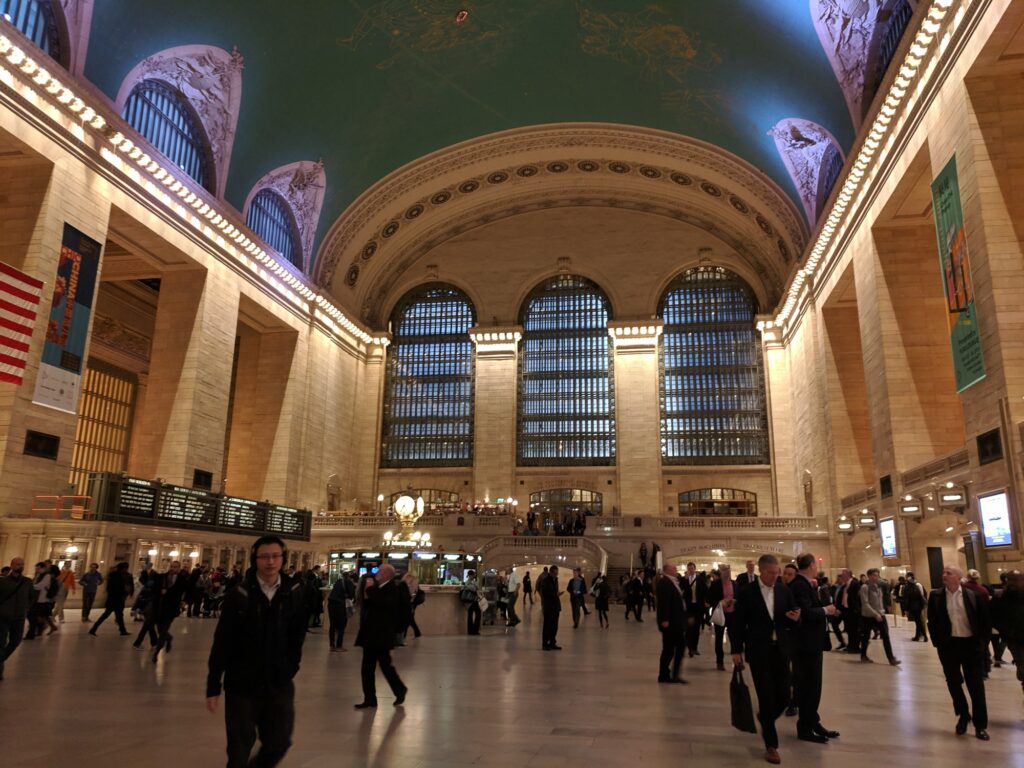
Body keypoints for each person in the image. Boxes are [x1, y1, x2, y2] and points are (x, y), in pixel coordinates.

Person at [207, 535, 308, 767]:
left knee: (279, 743)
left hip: (278, 682)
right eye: (264, 556)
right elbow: (222, 640)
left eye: (275, 556)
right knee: (239, 749)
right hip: (242, 683)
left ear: (283, 559)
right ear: (255, 559)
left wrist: (290, 666)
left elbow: (297, 635)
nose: (270, 562)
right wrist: (213, 684)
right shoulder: (240, 594)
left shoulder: (294, 592)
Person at [730, 554, 801, 766]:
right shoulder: (747, 592)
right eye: (771, 572)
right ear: (761, 571)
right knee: (765, 695)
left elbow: (793, 615)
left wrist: (796, 618)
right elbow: (738, 622)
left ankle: (766, 716)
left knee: (785, 695)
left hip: (780, 649)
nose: (775, 576)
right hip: (759, 651)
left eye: (777, 572)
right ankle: (771, 746)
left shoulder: (783, 590)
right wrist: (736, 649)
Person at [927, 565, 990, 740]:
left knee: (976, 685)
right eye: (944, 572)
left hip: (971, 645)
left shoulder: (973, 596)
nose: (944, 575)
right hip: (948, 646)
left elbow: (984, 621)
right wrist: (937, 643)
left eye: (949, 573)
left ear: (958, 577)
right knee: (954, 683)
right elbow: (931, 621)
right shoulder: (936, 596)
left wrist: (982, 645)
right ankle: (963, 715)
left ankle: (980, 725)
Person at [788, 552, 839, 744]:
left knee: (812, 686)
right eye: (815, 565)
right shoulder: (800, 585)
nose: (817, 568)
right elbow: (806, 613)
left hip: (810, 643)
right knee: (809, 686)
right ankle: (805, 727)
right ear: (810, 565)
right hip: (806, 644)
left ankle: (812, 721)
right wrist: (827, 610)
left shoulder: (803, 584)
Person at [354, 563, 408, 708]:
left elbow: (383, 604)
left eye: (380, 571)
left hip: (381, 635)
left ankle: (400, 689)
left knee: (385, 666)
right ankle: (370, 698)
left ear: (386, 574)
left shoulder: (392, 589)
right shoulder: (379, 587)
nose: (376, 573)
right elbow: (370, 605)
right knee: (367, 668)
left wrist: (371, 589)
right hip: (371, 634)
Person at [0, 558, 34, 681]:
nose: (20, 566)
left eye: (22, 564)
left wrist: (26, 608)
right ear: (12, 565)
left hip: (19, 617)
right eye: (18, 564)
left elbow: (32, 597)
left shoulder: (27, 582)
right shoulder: (3, 582)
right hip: (3, 616)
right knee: (1, 643)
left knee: (15, 641)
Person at [859, 568, 901, 666]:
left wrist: (882, 612)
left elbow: (880, 602)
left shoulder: (878, 587)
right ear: (869, 576)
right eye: (874, 575)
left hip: (880, 615)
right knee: (866, 636)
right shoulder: (865, 587)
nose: (876, 577)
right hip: (869, 616)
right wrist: (875, 614)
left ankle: (891, 658)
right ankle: (863, 655)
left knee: (885, 636)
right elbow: (865, 603)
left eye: (877, 575)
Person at [149, 560, 189, 662]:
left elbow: (187, 591)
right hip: (159, 608)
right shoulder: (162, 577)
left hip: (171, 609)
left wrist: (184, 601)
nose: (173, 569)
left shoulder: (182, 579)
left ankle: (156, 654)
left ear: (179, 568)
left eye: (175, 567)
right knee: (160, 630)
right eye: (171, 566)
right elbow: (153, 589)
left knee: (162, 633)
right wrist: (160, 591)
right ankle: (169, 638)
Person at [991, 570, 1024, 692]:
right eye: (1012, 580)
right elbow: (993, 617)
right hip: (1016, 641)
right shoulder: (1000, 598)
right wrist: (1007, 632)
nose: (1016, 583)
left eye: (1019, 580)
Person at [656, 563, 688, 684]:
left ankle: (668, 674)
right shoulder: (664, 582)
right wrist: (664, 619)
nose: (676, 570)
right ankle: (667, 674)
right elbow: (664, 602)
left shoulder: (673, 581)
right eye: (673, 568)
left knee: (671, 649)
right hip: (670, 623)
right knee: (672, 648)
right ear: (667, 570)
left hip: (676, 621)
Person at [89, 562, 133, 637]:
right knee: (110, 615)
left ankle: (122, 630)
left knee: (117, 615)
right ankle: (93, 629)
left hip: (114, 599)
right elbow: (114, 588)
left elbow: (110, 588)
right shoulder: (118, 576)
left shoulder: (114, 575)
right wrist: (124, 591)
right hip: (116, 599)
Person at [706, 563, 736, 671]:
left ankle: (736, 662)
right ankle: (720, 662)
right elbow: (708, 600)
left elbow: (739, 598)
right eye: (724, 570)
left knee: (734, 639)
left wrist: (734, 601)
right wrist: (720, 602)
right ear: (721, 572)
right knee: (719, 639)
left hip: (732, 615)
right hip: (720, 614)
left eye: (728, 569)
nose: (727, 572)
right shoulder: (715, 584)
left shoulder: (734, 583)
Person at [25, 561, 58, 639]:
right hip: (37, 600)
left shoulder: (47, 576)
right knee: (37, 617)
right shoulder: (39, 575)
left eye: (38, 568)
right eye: (36, 568)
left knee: (33, 616)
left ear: (43, 568)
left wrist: (30, 586)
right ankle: (37, 630)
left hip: (42, 600)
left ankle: (34, 632)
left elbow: (40, 586)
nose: (37, 570)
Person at [681, 562, 706, 657]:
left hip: (698, 607)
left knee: (696, 628)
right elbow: (681, 590)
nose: (690, 570)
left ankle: (694, 647)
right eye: (689, 568)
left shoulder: (700, 579)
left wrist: (706, 602)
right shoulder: (684, 579)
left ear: (695, 569)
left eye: (692, 568)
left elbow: (705, 591)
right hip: (689, 606)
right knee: (689, 627)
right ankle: (689, 647)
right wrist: (685, 580)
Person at [836, 568, 862, 655]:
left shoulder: (855, 583)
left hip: (853, 611)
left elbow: (857, 598)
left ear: (848, 574)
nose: (842, 575)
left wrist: (857, 609)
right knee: (849, 629)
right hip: (846, 611)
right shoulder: (845, 585)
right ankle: (850, 646)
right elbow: (842, 598)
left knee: (855, 629)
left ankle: (856, 647)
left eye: (843, 574)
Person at [537, 564, 562, 650]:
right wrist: (555, 594)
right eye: (555, 573)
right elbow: (544, 593)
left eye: (557, 572)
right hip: (548, 606)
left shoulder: (556, 580)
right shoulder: (545, 581)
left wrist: (557, 594)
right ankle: (545, 644)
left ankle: (552, 642)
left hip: (555, 606)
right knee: (547, 625)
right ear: (551, 572)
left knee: (554, 626)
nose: (556, 574)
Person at [328, 573, 355, 652]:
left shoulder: (338, 581)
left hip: (331, 604)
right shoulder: (349, 582)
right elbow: (351, 595)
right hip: (340, 605)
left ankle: (332, 646)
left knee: (332, 625)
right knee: (341, 626)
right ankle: (339, 646)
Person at [905, 572, 928, 641]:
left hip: (913, 607)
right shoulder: (917, 586)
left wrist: (906, 609)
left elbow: (907, 599)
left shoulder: (908, 588)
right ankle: (918, 636)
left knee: (918, 622)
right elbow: (922, 595)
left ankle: (924, 636)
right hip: (919, 606)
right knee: (919, 622)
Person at [463, 571, 481, 635]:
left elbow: (477, 588)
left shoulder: (473, 582)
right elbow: (473, 589)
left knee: (476, 614)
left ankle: (474, 630)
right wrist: (475, 587)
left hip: (473, 600)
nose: (474, 576)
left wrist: (475, 586)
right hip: (470, 601)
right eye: (473, 575)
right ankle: (472, 630)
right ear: (470, 575)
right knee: (473, 615)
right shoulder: (467, 582)